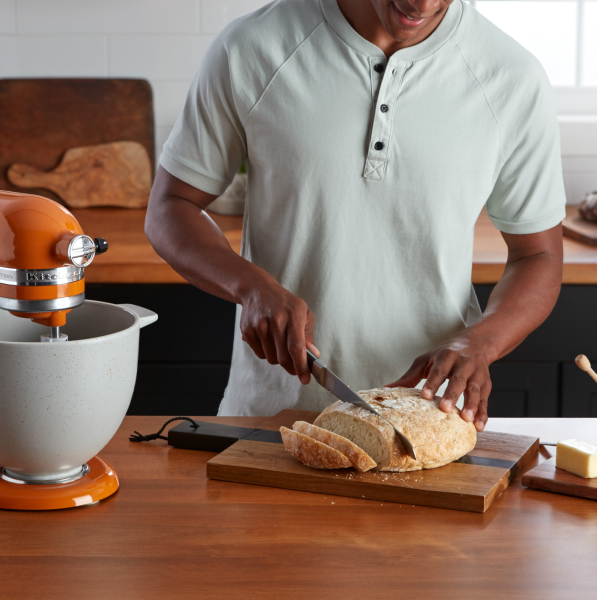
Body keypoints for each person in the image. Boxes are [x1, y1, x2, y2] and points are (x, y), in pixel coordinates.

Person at [145, 0, 565, 431]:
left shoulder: (511, 77)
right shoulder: (252, 48)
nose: (422, 4)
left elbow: (539, 256)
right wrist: (250, 286)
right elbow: (170, 206)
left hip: (428, 424)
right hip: (273, 419)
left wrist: (481, 342)